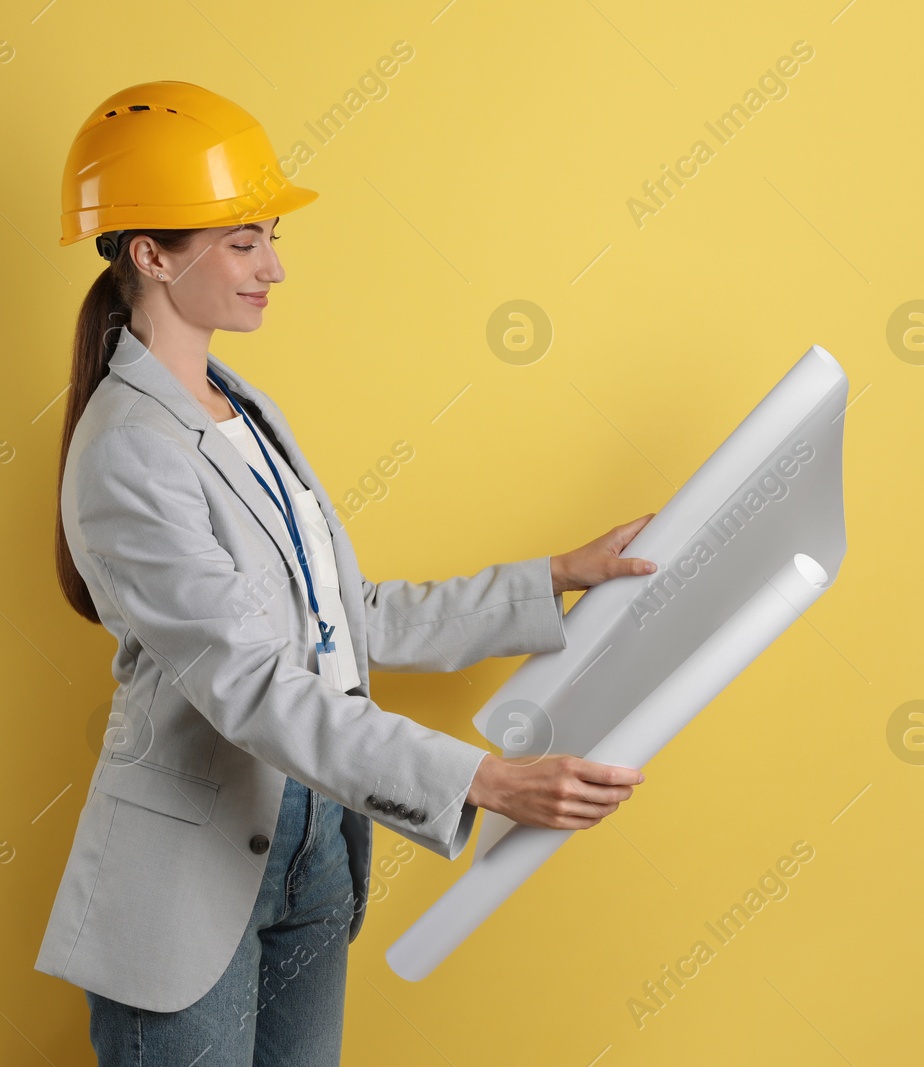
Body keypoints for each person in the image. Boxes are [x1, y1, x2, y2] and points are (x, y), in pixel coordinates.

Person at [35, 80, 654, 1066]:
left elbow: (341, 617)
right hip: (191, 875)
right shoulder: (126, 449)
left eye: (271, 237)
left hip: (313, 843)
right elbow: (251, 687)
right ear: (150, 255)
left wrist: (555, 576)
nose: (274, 267)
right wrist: (483, 778)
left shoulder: (243, 408)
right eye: (244, 242)